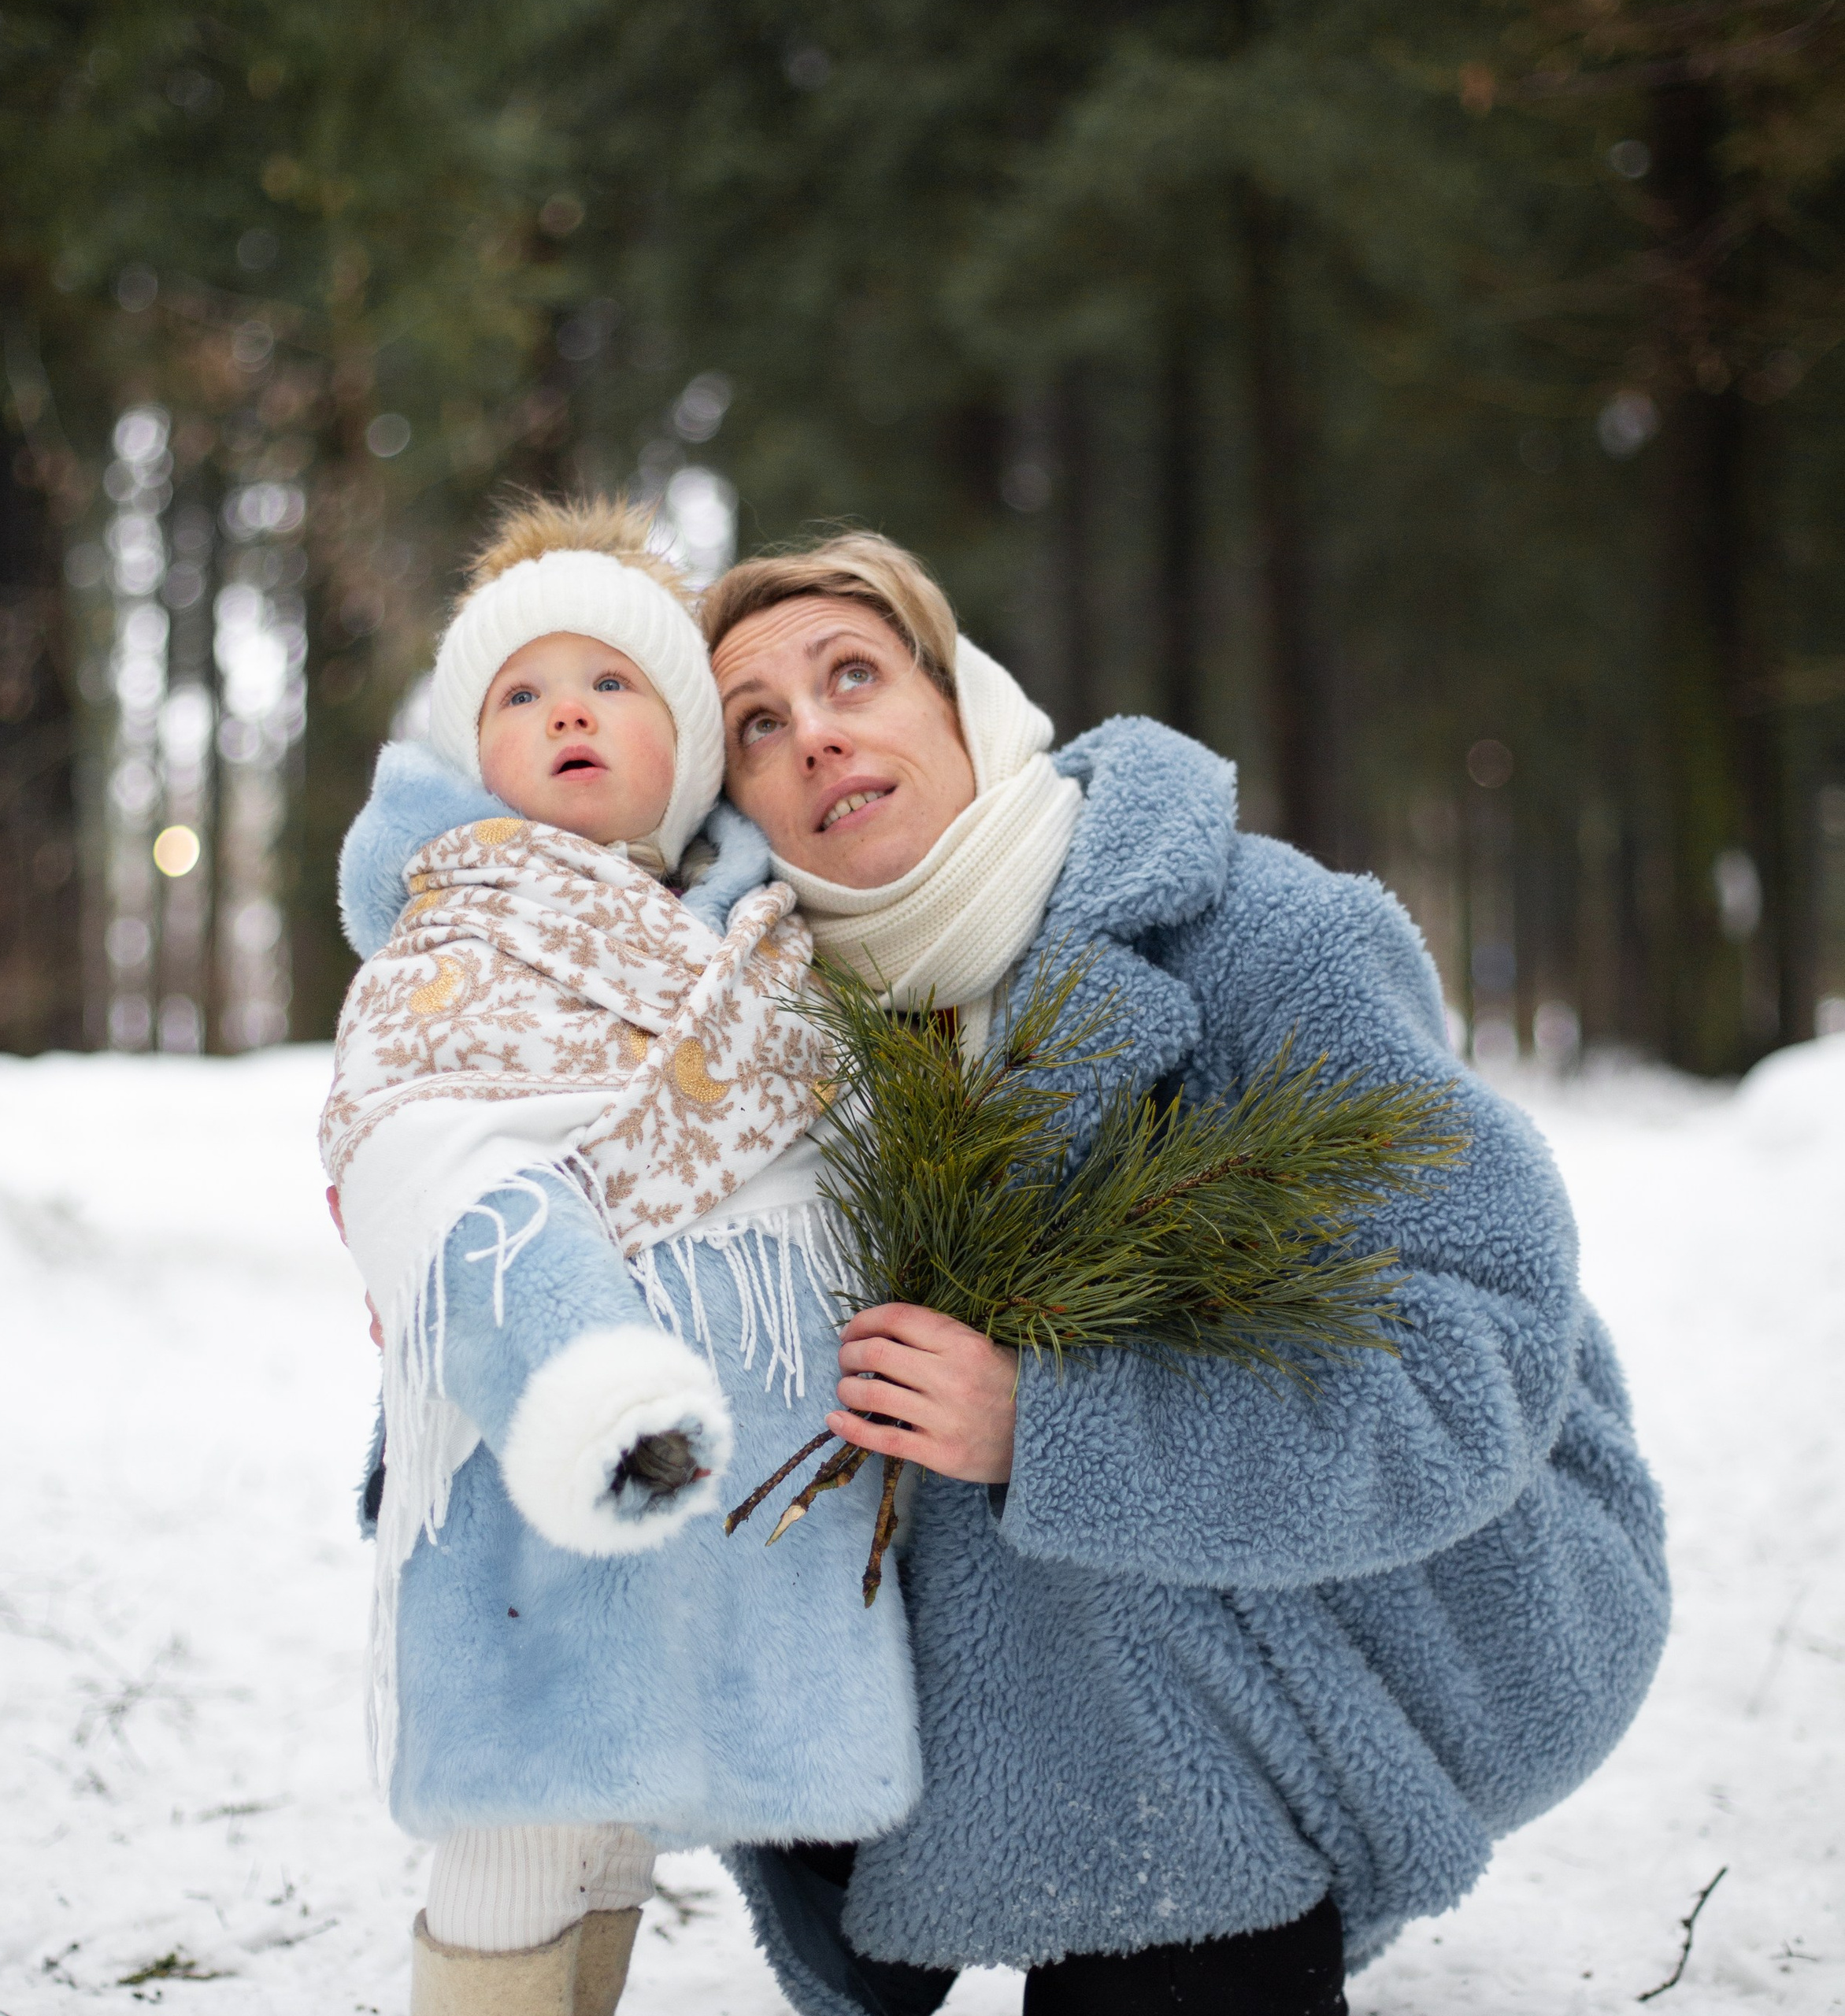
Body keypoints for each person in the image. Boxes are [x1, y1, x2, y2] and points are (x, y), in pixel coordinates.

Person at [701, 532, 1670, 2016]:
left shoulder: (1259, 932)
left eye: (853, 675)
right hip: (1029, 1685)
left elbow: (1478, 1343)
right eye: (757, 724)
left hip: (1409, 1605)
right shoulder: (756, 1045)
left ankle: (1206, 1902)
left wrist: (1057, 1429)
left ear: (962, 701)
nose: (815, 731)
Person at [321, 500, 921, 2016]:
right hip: (543, 1455)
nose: (566, 709)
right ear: (479, 750)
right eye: (520, 693)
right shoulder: (454, 938)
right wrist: (578, 1352)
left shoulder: (764, 947)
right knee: (532, 1815)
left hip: (743, 1488)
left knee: (619, 1815)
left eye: (613, 682)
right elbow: (433, 1158)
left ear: (696, 751)